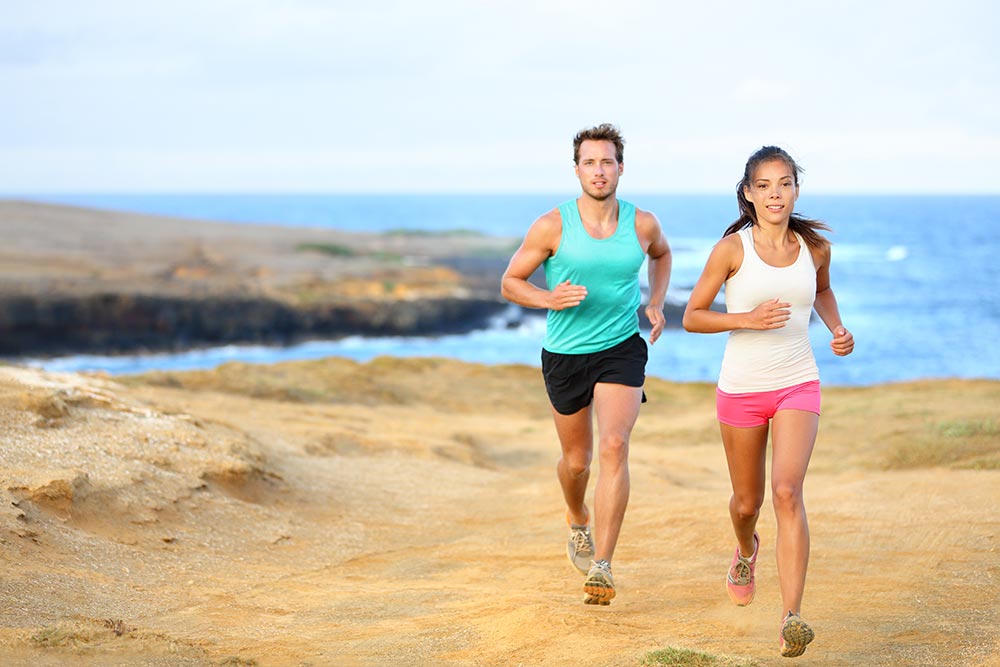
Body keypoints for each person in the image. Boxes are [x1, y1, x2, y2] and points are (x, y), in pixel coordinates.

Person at [682, 145, 854, 657]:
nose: (775, 193)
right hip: (741, 388)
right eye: (765, 185)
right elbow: (693, 315)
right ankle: (744, 549)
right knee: (746, 503)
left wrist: (837, 328)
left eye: (785, 183)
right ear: (749, 193)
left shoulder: (815, 246)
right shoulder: (732, 249)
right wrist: (745, 319)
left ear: (796, 189)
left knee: (786, 491)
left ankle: (791, 617)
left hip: (798, 380)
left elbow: (822, 291)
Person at [501, 123, 672, 605]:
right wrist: (548, 298)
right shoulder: (552, 225)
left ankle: (603, 565)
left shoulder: (642, 224)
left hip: (621, 347)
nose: (599, 171)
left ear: (621, 167)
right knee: (578, 461)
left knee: (615, 445)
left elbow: (661, 255)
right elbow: (511, 282)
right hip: (565, 355)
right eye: (589, 162)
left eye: (607, 162)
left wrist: (655, 301)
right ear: (576, 169)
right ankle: (577, 518)